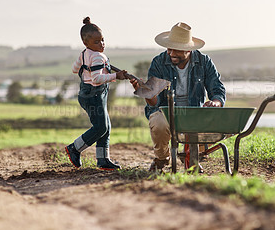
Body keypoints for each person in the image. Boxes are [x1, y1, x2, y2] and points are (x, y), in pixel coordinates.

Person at [130, 22, 226, 171]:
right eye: (169, 48)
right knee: (158, 121)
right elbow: (154, 103)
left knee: (214, 122)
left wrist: (215, 102)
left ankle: (191, 156)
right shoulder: (159, 63)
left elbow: (217, 90)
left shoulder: (204, 62)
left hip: (194, 112)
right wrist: (146, 93)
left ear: (188, 49)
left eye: (177, 50)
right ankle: (162, 158)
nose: (171, 53)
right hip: (167, 112)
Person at [65, 17, 128, 170]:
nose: (101, 44)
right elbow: (97, 79)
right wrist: (116, 76)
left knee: (106, 126)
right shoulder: (98, 56)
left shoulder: (85, 53)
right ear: (86, 43)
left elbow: (75, 69)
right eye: (96, 42)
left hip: (90, 94)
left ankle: (103, 159)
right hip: (94, 95)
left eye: (102, 40)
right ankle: (74, 148)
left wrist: (86, 66)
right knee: (100, 127)